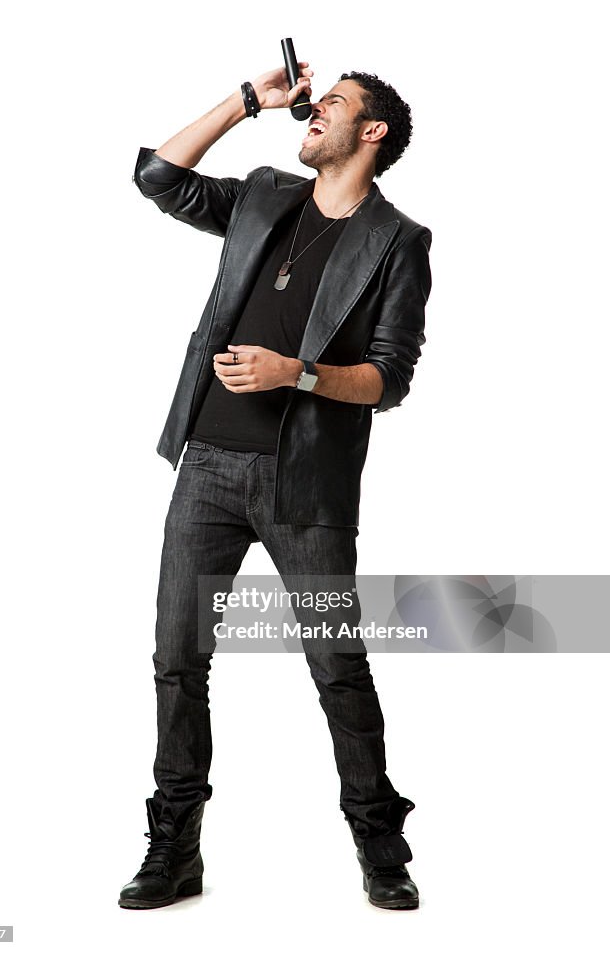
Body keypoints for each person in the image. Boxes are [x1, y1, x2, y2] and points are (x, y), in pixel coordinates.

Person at [119, 61, 432, 911]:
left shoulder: (399, 241)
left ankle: (381, 845)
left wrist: (296, 373)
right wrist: (245, 102)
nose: (313, 108)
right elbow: (158, 176)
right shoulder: (263, 196)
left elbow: (389, 378)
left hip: (309, 489)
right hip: (208, 468)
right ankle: (174, 847)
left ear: (371, 133)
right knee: (178, 661)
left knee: (337, 664)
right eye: (313, 99)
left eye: (332, 103)